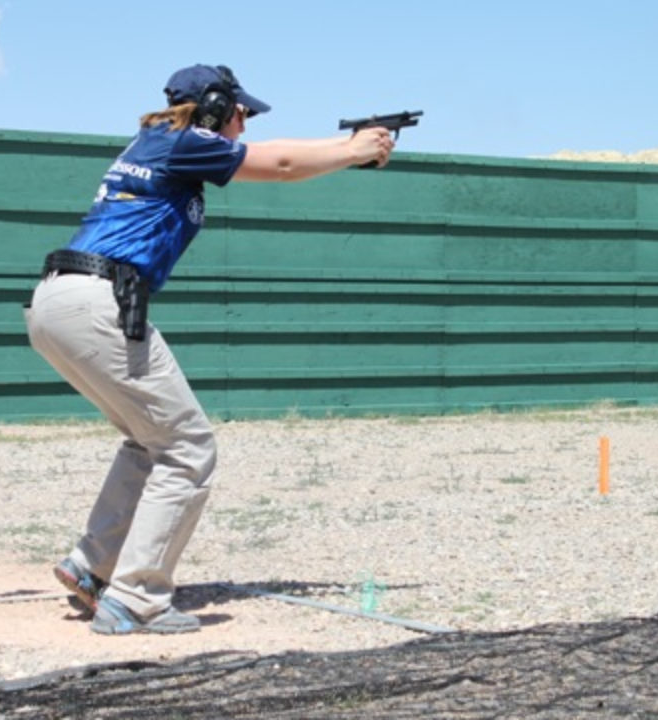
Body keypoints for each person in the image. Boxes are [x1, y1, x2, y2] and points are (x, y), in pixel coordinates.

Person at [25, 63, 395, 635]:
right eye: (240, 111)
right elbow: (282, 163)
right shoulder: (183, 141)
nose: (244, 123)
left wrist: (349, 146)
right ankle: (136, 597)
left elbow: (279, 153)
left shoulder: (163, 141)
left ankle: (91, 567)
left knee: (150, 442)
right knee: (189, 447)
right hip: (96, 299)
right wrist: (352, 151)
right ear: (216, 107)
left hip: (62, 300)